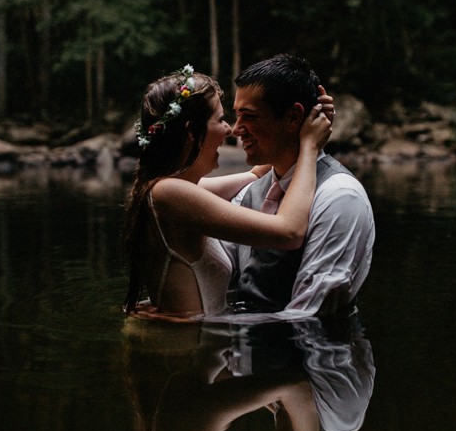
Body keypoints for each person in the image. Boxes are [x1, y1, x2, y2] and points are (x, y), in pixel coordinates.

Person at [123, 64, 331, 317]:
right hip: (188, 350)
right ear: (191, 132)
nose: (230, 130)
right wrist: (309, 147)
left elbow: (254, 174)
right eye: (220, 120)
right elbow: (289, 232)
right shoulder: (170, 193)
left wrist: (301, 126)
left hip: (199, 346)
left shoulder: (165, 190)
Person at [226, 53, 375, 317]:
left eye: (248, 116)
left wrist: (207, 326)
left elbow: (310, 314)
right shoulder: (250, 192)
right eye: (236, 116)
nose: (236, 130)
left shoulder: (339, 196)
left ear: (293, 117)